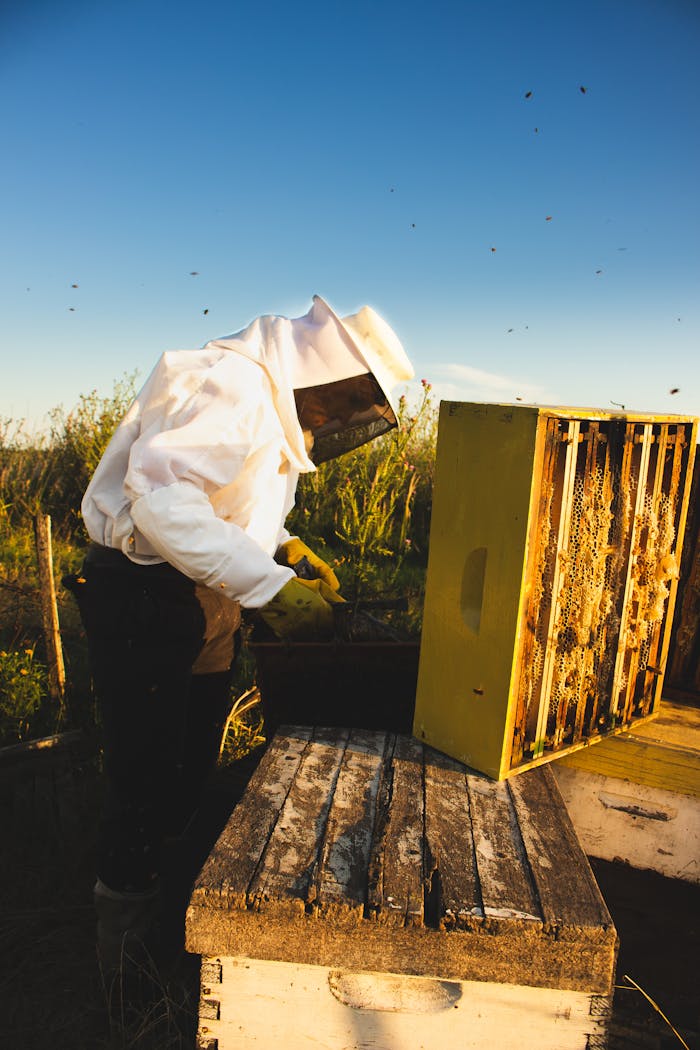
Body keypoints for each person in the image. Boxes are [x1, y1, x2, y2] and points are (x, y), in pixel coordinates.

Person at [64, 294, 413, 981]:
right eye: (347, 396)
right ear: (325, 367)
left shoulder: (266, 401)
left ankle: (171, 930)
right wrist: (268, 588)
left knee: (187, 770)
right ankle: (124, 969)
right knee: (146, 780)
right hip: (147, 599)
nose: (342, 414)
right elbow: (164, 506)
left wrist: (282, 548)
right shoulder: (231, 382)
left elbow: (222, 508)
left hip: (199, 594)